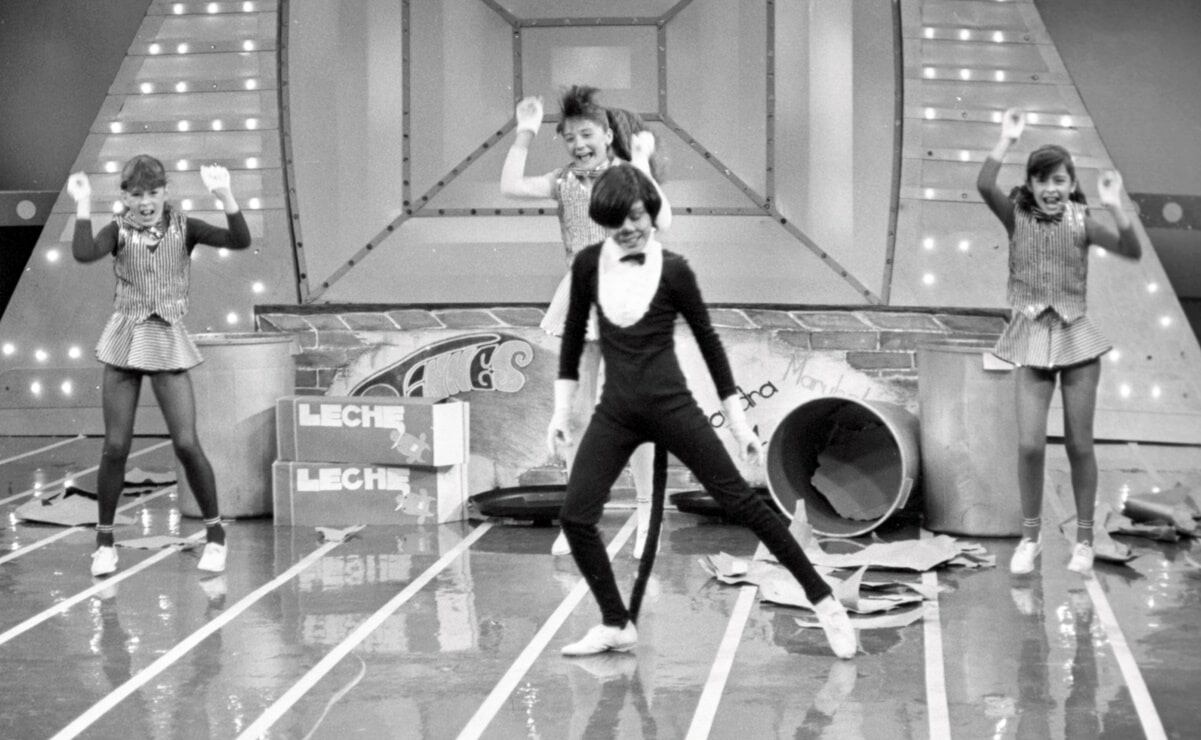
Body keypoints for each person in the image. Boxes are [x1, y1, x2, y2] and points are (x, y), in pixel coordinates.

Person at [547, 163, 856, 658]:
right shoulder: (587, 266)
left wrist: (738, 423)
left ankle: (825, 603)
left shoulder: (674, 270)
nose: (628, 229)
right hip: (616, 411)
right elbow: (572, 344)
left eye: (636, 216)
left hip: (672, 407)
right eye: (616, 221)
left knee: (742, 502)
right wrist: (561, 412)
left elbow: (710, 345)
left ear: (650, 212)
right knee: (576, 517)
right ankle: (615, 622)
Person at [501, 85, 672, 559]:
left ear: (607, 134)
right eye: (570, 136)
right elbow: (511, 187)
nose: (578, 144)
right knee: (576, 415)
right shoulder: (562, 181)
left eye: (587, 134)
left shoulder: (627, 174)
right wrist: (525, 132)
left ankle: (648, 515)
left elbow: (655, 217)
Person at [67, 155, 252, 577]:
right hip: (125, 339)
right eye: (136, 195)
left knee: (186, 443)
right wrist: (83, 203)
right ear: (125, 197)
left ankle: (216, 536)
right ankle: (104, 544)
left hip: (166, 336)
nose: (145, 202)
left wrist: (225, 195)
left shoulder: (186, 228)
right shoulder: (118, 230)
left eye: (153, 192)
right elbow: (83, 252)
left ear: (166, 192)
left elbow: (239, 240)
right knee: (116, 447)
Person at [978, 109, 1141, 575]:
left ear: (1071, 185)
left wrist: (1114, 205)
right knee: (1030, 445)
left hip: (1076, 341)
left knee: (1079, 445)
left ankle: (1085, 541)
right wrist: (1007, 138)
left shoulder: (1082, 221)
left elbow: (1131, 250)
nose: (1051, 189)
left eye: (1060, 180)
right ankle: (1030, 538)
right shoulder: (1015, 217)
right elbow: (984, 184)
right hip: (1030, 337)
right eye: (1042, 180)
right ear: (1030, 184)